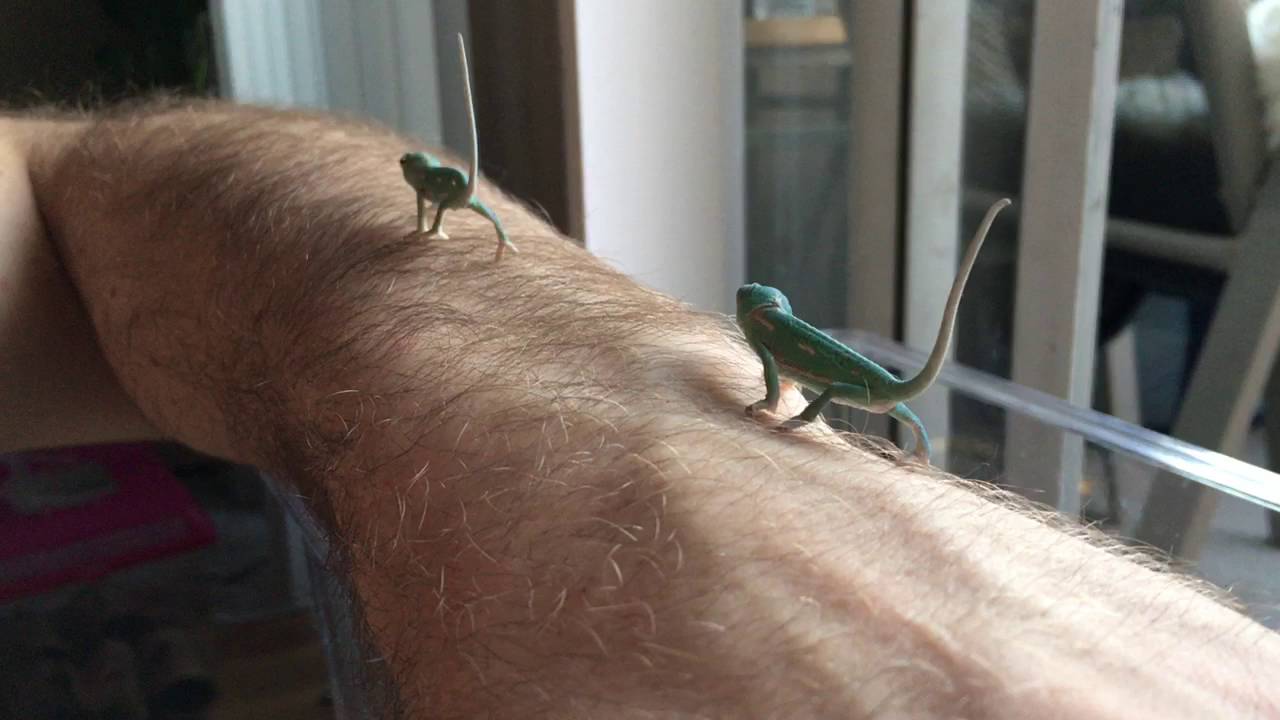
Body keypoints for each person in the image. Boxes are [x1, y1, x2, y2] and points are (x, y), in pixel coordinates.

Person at [1, 101, 1276, 719]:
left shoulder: (770, 347)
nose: (743, 310)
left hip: (841, 393)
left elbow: (50, 177)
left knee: (895, 401)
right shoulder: (766, 342)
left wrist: (557, 392)